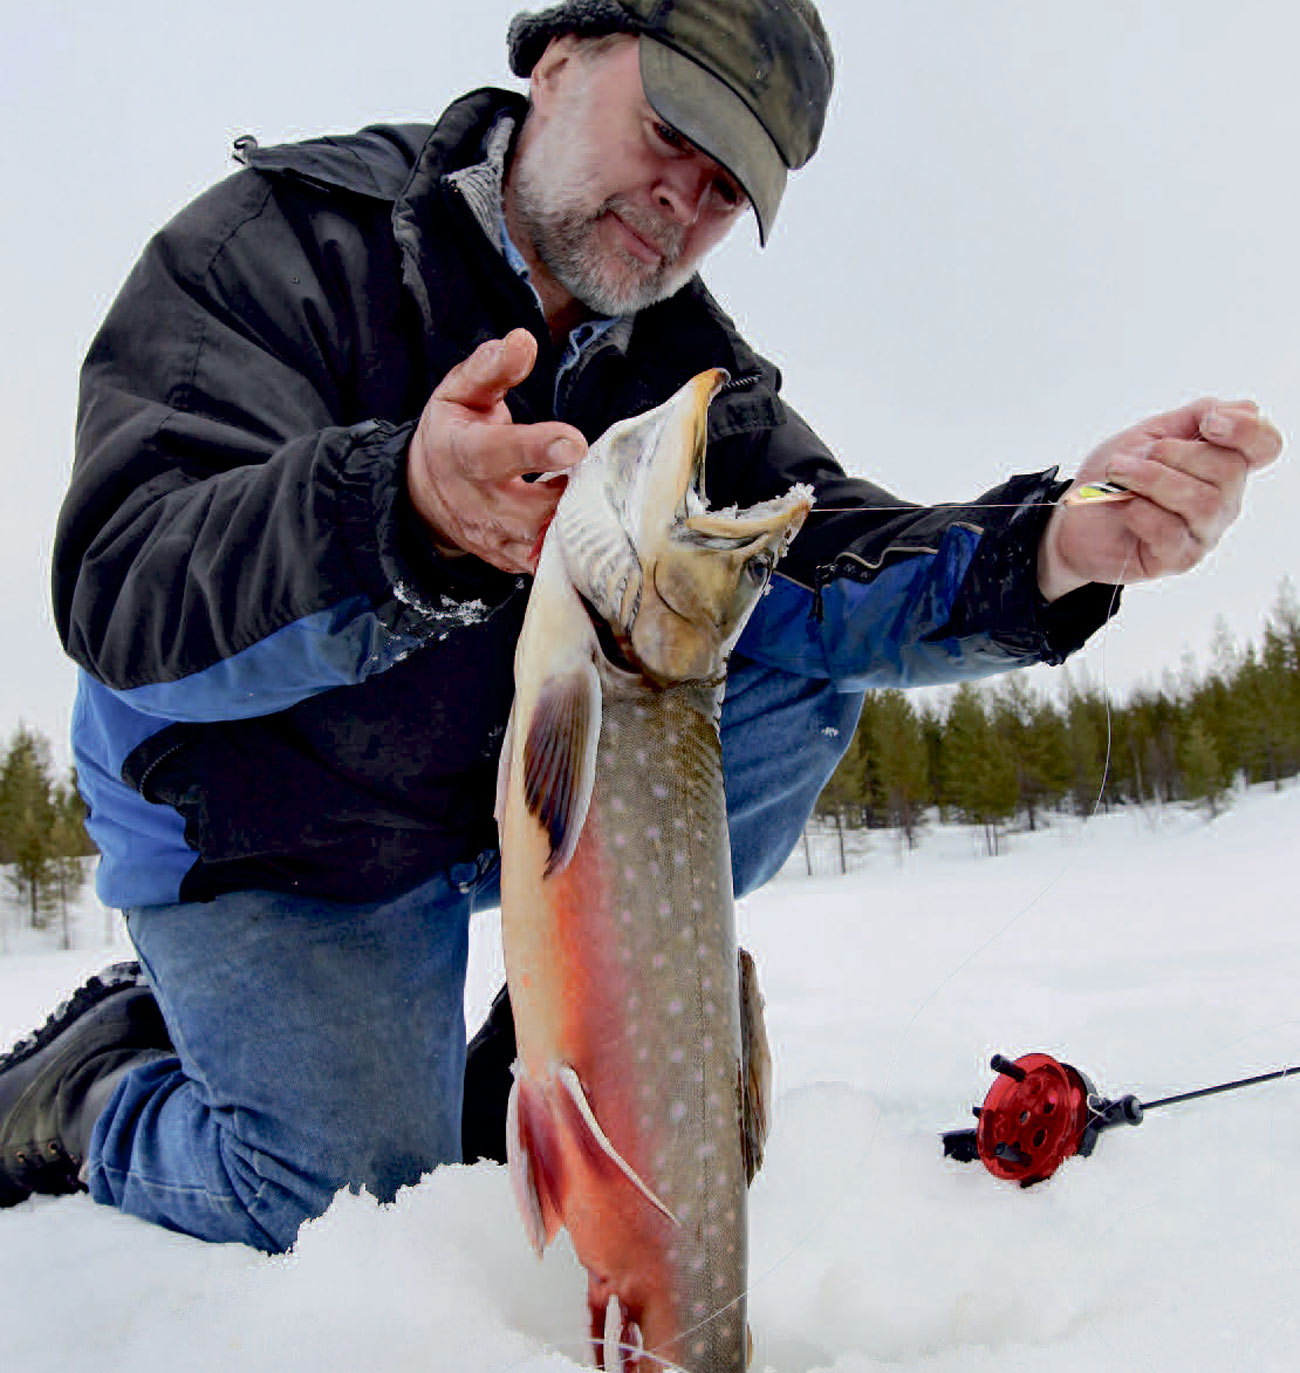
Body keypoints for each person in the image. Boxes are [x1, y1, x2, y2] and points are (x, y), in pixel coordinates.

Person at [0, 0, 1281, 1248]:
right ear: (558, 57)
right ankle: (96, 1086)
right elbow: (128, 585)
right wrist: (395, 509)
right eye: (674, 132)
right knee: (338, 1210)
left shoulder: (685, 371)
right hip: (265, 811)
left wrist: (1058, 543)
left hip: (500, 794)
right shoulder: (281, 250)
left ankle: (536, 1042)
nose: (688, 199)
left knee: (789, 646)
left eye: (729, 188)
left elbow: (826, 550)